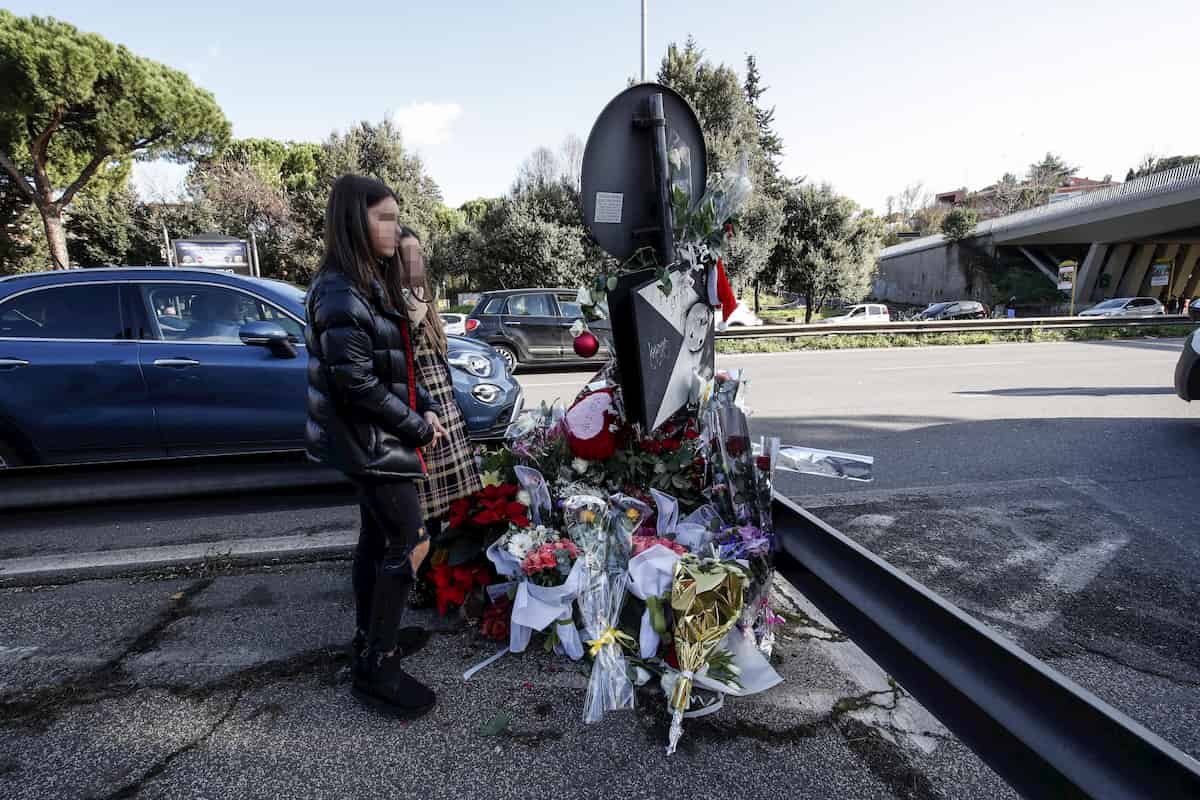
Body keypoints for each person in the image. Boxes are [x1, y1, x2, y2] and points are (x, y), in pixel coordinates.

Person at [305, 175, 448, 720]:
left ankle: (369, 639)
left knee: (376, 539)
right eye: (382, 219)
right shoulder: (340, 290)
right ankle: (376, 665)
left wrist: (426, 403)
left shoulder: (367, 282)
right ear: (353, 222)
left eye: (395, 217)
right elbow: (356, 384)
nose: (394, 229)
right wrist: (416, 426)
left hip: (374, 437)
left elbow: (401, 360)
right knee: (409, 541)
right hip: (368, 442)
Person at [395, 226, 483, 544]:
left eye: (418, 253)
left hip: (443, 409)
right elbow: (412, 316)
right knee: (426, 514)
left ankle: (442, 576)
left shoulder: (422, 299)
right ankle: (425, 580)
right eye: (407, 254)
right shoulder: (403, 301)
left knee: (454, 511)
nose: (414, 260)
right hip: (422, 411)